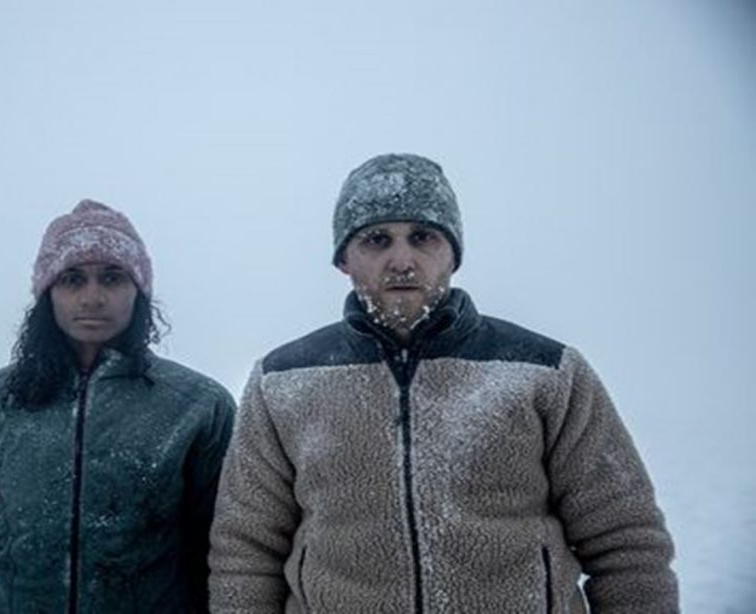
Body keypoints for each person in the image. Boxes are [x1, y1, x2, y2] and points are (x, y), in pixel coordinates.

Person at [208, 154, 678, 612]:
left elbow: (625, 540)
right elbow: (246, 551)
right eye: (376, 240)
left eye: (423, 237)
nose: (402, 260)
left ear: (453, 253)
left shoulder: (545, 371)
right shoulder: (284, 381)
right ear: (343, 260)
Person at [0, 199, 236, 613]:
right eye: (72, 279)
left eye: (112, 277)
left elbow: (228, 553)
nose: (92, 297)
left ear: (139, 291)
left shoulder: (198, 407)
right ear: (47, 292)